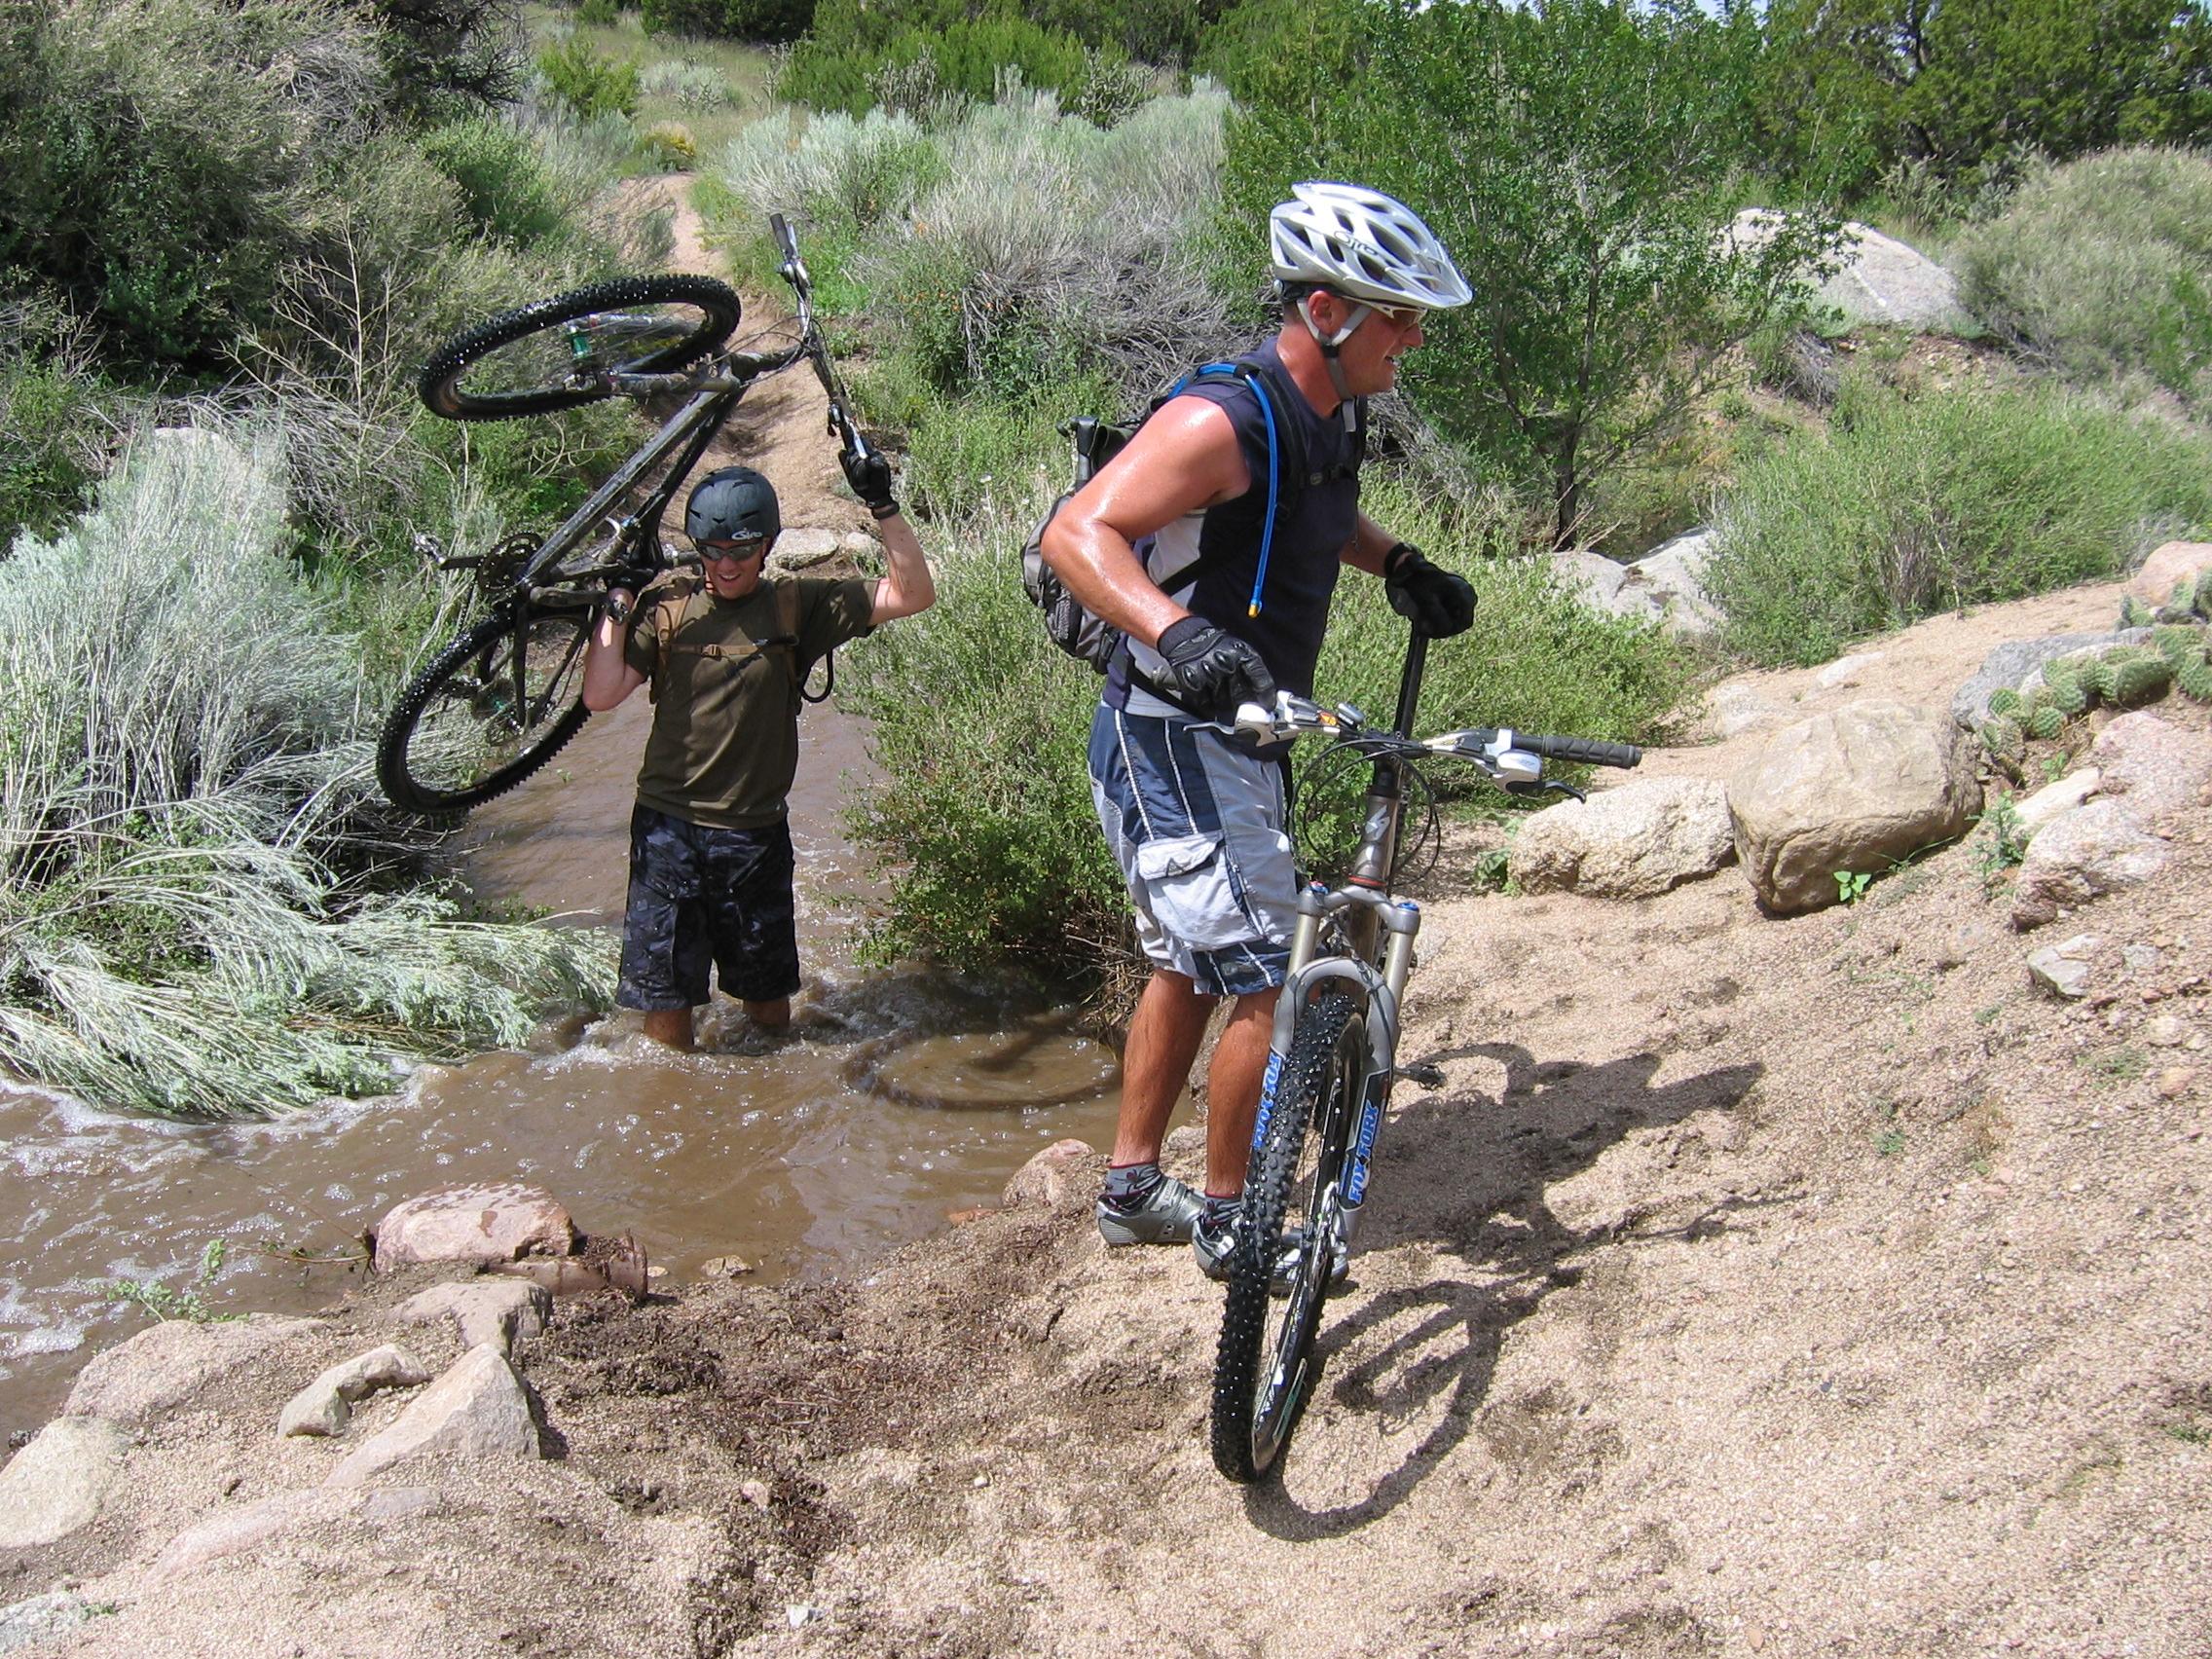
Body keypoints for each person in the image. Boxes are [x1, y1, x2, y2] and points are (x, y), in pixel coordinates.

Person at [1039, 181, 1480, 1276]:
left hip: (1233, 738)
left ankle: (1135, 1188)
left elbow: (1310, 515)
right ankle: (1234, 1224)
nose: (1412, 339)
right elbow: (1075, 532)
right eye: (1398, 316)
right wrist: (1173, 631)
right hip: (1171, 738)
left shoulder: (1327, 414)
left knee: (1187, 962)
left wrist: (1399, 562)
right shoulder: (1219, 418)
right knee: (1255, 972)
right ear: (1326, 311)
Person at [582, 449, 934, 1050]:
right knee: (666, 1012)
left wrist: (882, 505)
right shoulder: (668, 607)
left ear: (768, 545)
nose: (725, 565)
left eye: (741, 551)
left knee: (769, 1012)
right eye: (711, 551)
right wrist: (618, 596)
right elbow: (601, 693)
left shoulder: (799, 605)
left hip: (754, 837)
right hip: (668, 833)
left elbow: (913, 594)